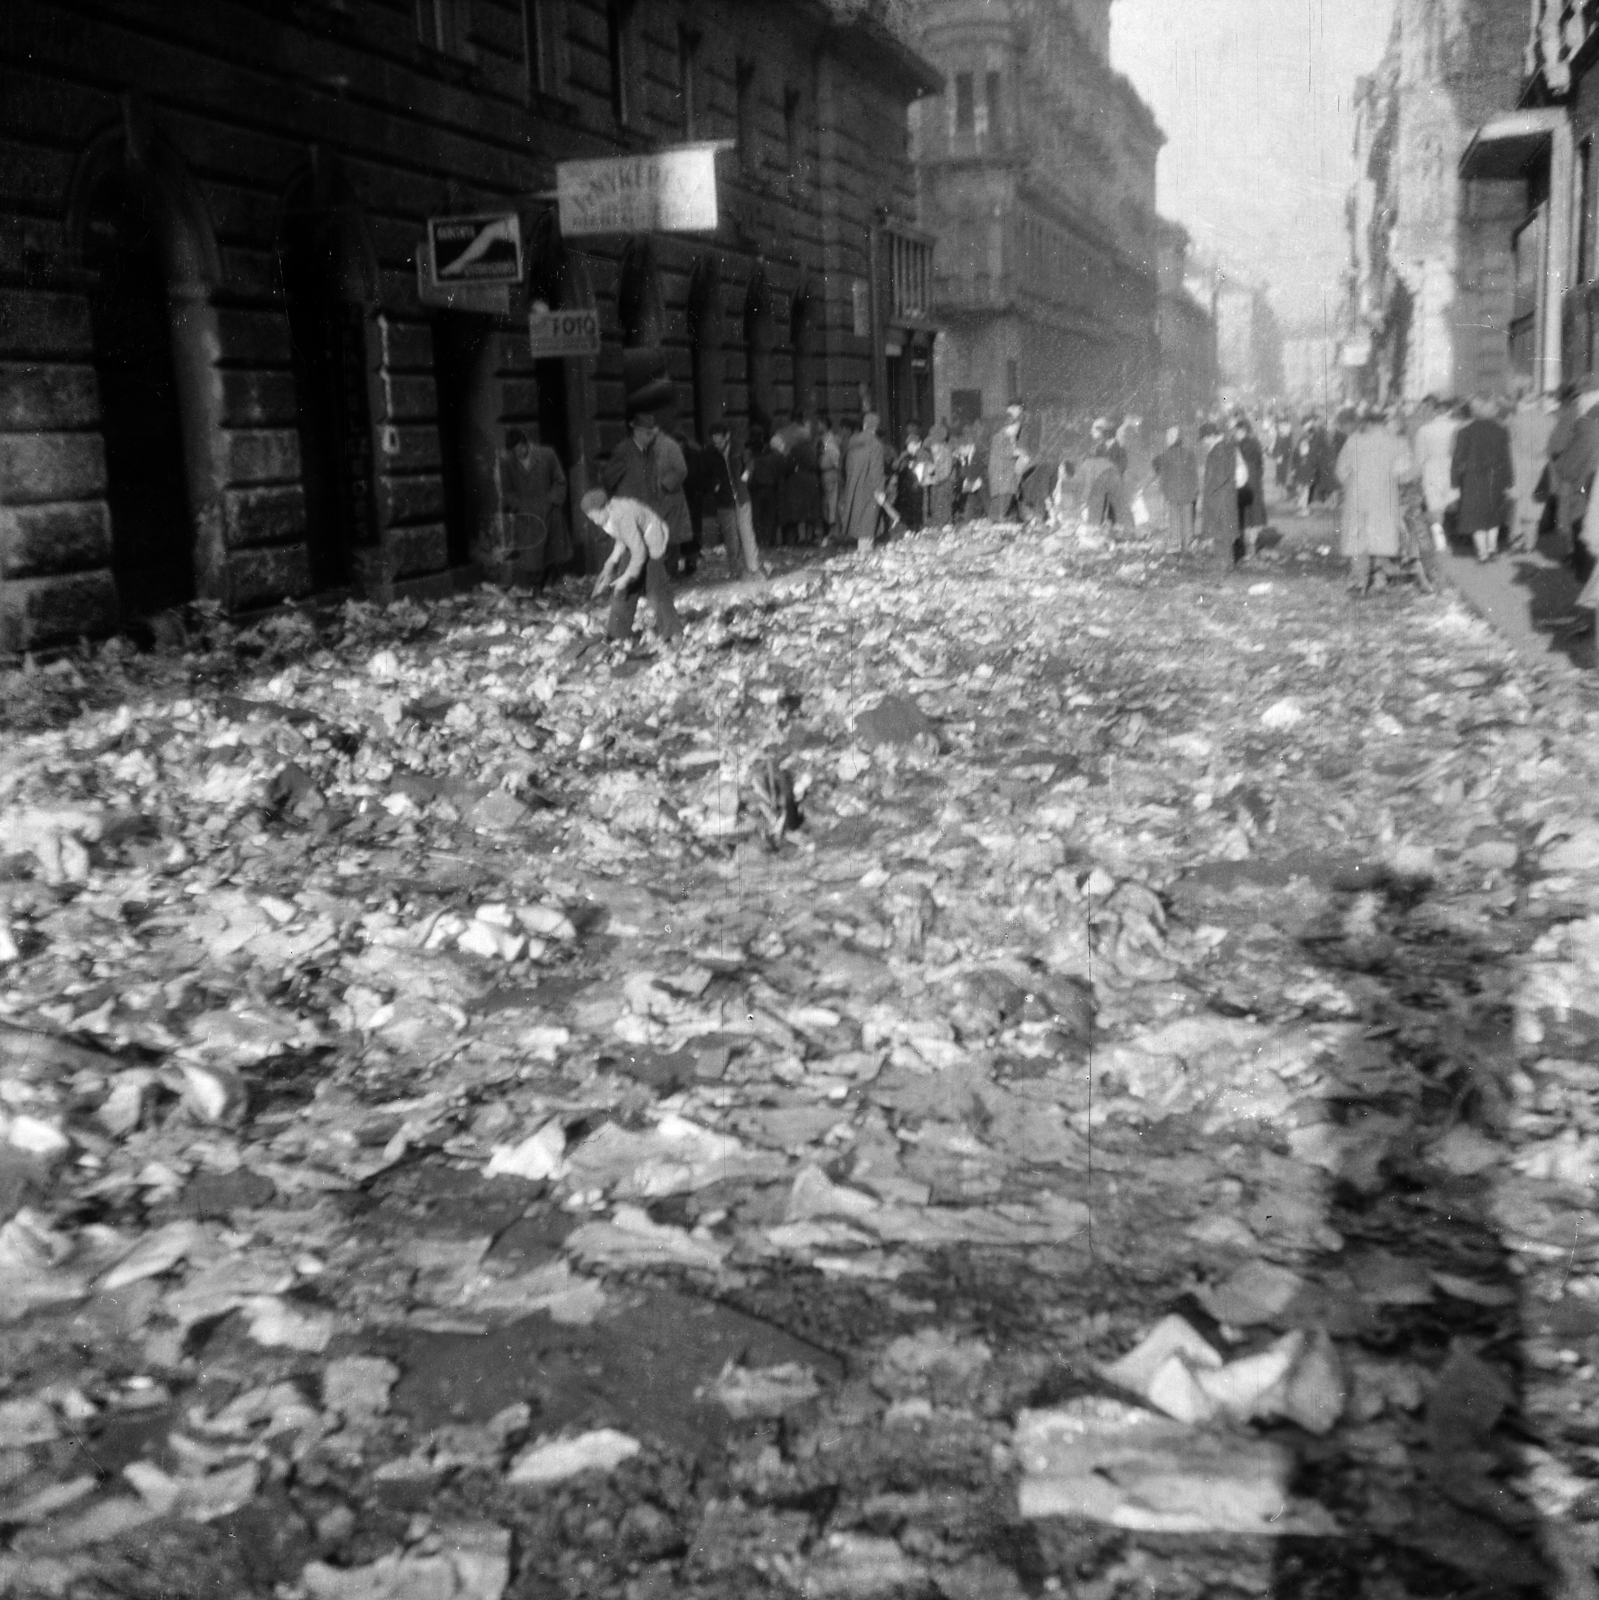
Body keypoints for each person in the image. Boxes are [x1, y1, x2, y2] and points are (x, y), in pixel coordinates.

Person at [583, 486, 684, 645]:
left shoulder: (622, 515)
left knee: (655, 588)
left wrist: (627, 576)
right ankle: (617, 634)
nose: (595, 522)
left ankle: (673, 633)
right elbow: (623, 538)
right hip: (636, 543)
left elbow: (639, 552)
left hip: (651, 542)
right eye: (592, 519)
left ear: (607, 507)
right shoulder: (609, 514)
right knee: (623, 590)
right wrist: (611, 562)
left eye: (596, 517)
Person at [1336, 406, 1419, 593]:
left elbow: (1341, 471)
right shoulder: (1398, 443)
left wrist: (1350, 483)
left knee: (1358, 536)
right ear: (1384, 423)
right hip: (1385, 495)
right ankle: (1380, 576)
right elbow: (1406, 474)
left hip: (1357, 496)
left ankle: (1359, 579)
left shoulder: (1353, 441)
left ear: (1367, 423)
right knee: (1382, 535)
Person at [499, 425, 568, 585]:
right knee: (532, 558)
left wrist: (551, 500)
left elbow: (560, 481)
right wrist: (519, 506)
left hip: (549, 512)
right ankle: (537, 590)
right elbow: (507, 491)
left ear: (526, 443)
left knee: (552, 554)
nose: (519, 454)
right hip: (528, 517)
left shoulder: (547, 454)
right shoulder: (508, 463)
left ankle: (553, 587)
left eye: (521, 449)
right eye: (514, 452)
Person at [1451, 394, 1515, 563]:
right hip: (1496, 478)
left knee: (1475, 516)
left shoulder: (1465, 431)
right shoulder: (1501, 430)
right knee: (1493, 513)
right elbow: (1506, 457)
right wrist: (1509, 480)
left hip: (1473, 479)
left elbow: (1458, 459)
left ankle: (1482, 553)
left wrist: (1454, 480)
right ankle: (1492, 548)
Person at [703, 419, 762, 578]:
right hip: (724, 499)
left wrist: (746, 476)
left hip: (741, 496)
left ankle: (753, 568)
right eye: (715, 442)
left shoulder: (738, 448)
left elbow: (750, 463)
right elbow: (707, 475)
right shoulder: (711, 453)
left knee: (746, 533)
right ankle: (736, 571)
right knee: (731, 538)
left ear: (727, 436)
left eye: (720, 441)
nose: (718, 445)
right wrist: (714, 485)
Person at [1507, 389, 1556, 554]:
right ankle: (1530, 544)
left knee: (1517, 505)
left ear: (1524, 403)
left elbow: (1509, 445)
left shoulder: (1514, 420)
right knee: (1535, 506)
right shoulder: (1550, 420)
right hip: (1540, 466)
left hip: (1518, 465)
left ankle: (1516, 540)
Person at [1413, 396, 1461, 551]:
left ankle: (1440, 541)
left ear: (1435, 411)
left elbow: (1420, 456)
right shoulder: (1457, 426)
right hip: (1452, 466)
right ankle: (1455, 538)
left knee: (1435, 507)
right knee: (1453, 501)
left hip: (1431, 468)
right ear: (1450, 410)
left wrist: (1418, 476)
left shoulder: (1424, 429)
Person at [839, 412, 888, 551]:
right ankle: (865, 556)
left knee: (858, 524)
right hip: (869, 490)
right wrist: (880, 490)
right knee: (868, 525)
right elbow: (876, 470)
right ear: (876, 427)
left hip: (853, 488)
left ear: (864, 425)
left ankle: (862, 552)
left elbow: (843, 465)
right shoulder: (875, 444)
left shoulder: (852, 442)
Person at [1200, 420, 1242, 567]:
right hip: (1226, 495)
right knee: (1225, 528)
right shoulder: (1226, 446)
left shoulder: (1218, 451)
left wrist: (1208, 494)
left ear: (1211, 435)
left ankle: (1224, 562)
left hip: (1219, 496)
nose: (1204, 442)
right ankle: (1226, 561)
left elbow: (1217, 478)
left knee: (1221, 528)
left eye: (1204, 438)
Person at [1153, 425, 1199, 552]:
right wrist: (1195, 491)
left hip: (1172, 494)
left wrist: (1163, 492)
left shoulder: (1166, 455)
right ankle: (1189, 544)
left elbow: (1163, 476)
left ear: (1174, 438)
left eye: (1169, 436)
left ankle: (1175, 543)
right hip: (1188, 493)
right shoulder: (1189, 453)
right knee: (1188, 519)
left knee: (1174, 520)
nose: (1167, 439)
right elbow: (1194, 474)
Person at [778, 418, 823, 545]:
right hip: (812, 480)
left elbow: (789, 465)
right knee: (811, 509)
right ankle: (809, 537)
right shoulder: (812, 448)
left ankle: (802, 537)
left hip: (799, 482)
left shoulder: (796, 449)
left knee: (801, 511)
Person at [1233, 416, 1267, 558]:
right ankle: (1252, 540)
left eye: (1237, 431)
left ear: (1243, 431)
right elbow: (1261, 463)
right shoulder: (1254, 442)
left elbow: (1240, 465)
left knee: (1247, 510)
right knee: (1254, 508)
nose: (1236, 433)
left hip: (1247, 480)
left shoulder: (1241, 444)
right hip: (1255, 479)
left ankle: (1250, 542)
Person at [988, 405, 1028, 521]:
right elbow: (1003, 451)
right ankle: (998, 522)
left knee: (1006, 500)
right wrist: (1017, 451)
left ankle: (998, 521)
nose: (1017, 431)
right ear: (1008, 427)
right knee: (1002, 501)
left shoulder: (1010, 438)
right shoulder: (999, 437)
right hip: (1001, 475)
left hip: (1007, 476)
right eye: (1016, 428)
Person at [747, 424, 782, 549]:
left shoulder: (749, 453)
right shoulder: (772, 453)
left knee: (757, 516)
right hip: (769, 487)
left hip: (756, 488)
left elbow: (746, 472)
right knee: (769, 515)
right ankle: (768, 540)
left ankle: (761, 540)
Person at [895, 424, 926, 532]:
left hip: (916, 489)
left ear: (919, 444)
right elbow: (896, 467)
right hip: (906, 490)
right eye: (909, 445)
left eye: (913, 445)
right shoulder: (905, 455)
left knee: (916, 513)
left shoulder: (922, 454)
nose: (910, 447)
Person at [925, 421, 956, 528]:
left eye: (933, 445)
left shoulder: (946, 452)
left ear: (940, 444)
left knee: (943, 505)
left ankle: (946, 525)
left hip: (945, 485)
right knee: (936, 506)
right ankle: (939, 525)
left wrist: (933, 479)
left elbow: (945, 472)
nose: (931, 448)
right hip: (937, 484)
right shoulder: (938, 454)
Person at [818, 417, 842, 540]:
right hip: (825, 474)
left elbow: (836, 459)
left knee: (832, 502)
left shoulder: (830, 441)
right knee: (827, 502)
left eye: (819, 423)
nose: (817, 426)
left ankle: (833, 530)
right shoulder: (824, 439)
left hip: (830, 473)